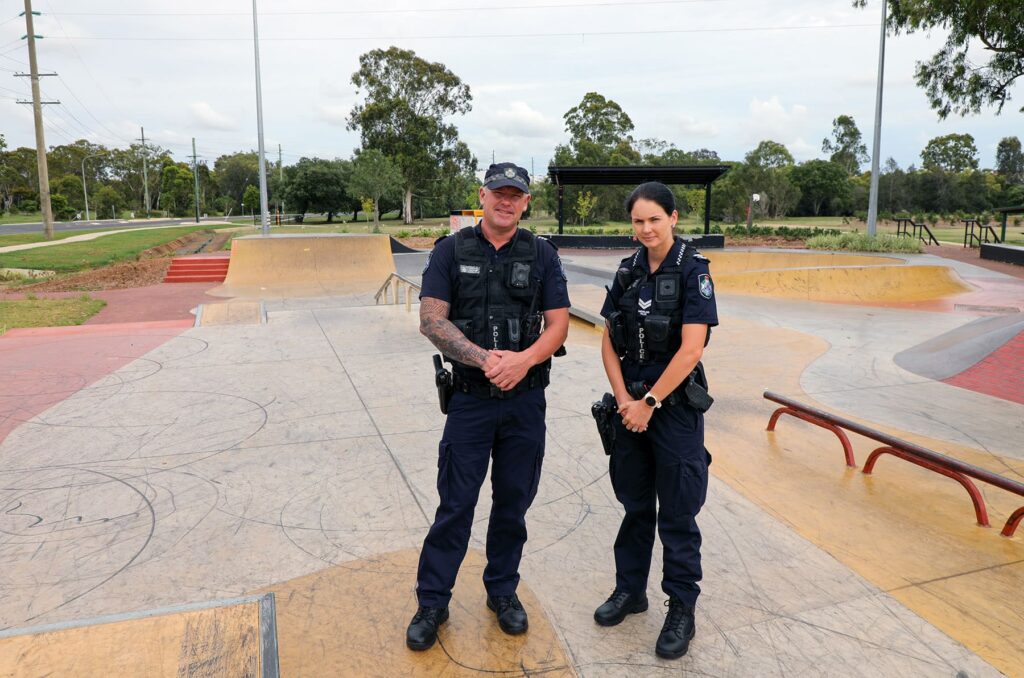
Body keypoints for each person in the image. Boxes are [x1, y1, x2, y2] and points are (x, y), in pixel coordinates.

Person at [406, 162, 571, 651]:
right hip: (471, 403)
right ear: (482, 195)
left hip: (525, 403)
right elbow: (431, 321)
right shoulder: (449, 252)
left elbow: (559, 324)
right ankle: (432, 601)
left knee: (513, 504)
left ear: (526, 202)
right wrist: (486, 361)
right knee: (455, 506)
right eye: (498, 192)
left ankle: (502, 592)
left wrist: (522, 362)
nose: (506, 201)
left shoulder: (542, 255)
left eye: (515, 194)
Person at [593, 181, 717, 659]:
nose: (646, 229)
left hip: (673, 410)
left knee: (679, 513)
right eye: (638, 221)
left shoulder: (693, 272)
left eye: (655, 219)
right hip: (630, 409)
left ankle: (681, 607)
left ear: (673, 218)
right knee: (635, 505)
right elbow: (608, 338)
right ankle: (631, 591)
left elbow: (691, 349)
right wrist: (625, 398)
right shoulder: (628, 272)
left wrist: (649, 403)